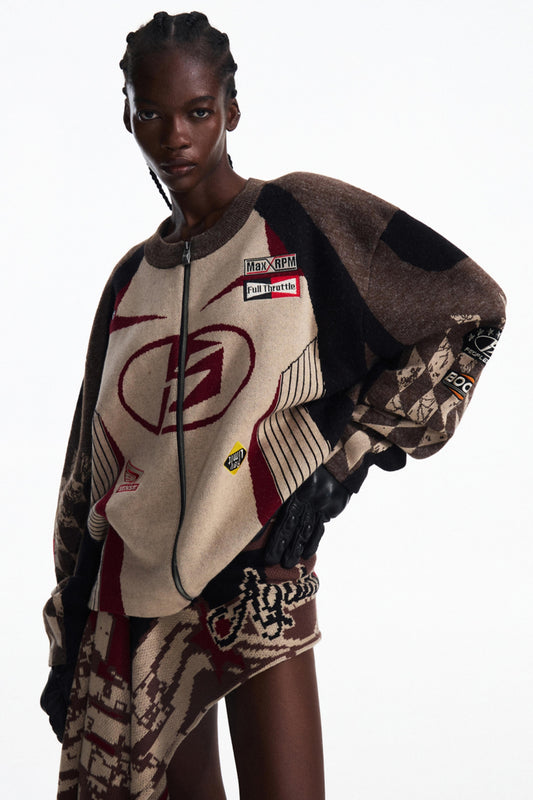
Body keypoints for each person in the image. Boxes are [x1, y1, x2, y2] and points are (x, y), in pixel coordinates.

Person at [40, 11, 506, 800]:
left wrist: (345, 464)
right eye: (151, 113)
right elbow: (89, 467)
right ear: (127, 116)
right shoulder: (129, 282)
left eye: (197, 111)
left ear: (231, 109)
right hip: (137, 607)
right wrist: (69, 632)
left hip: (260, 580)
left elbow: (471, 313)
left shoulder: (297, 220)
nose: (175, 136)